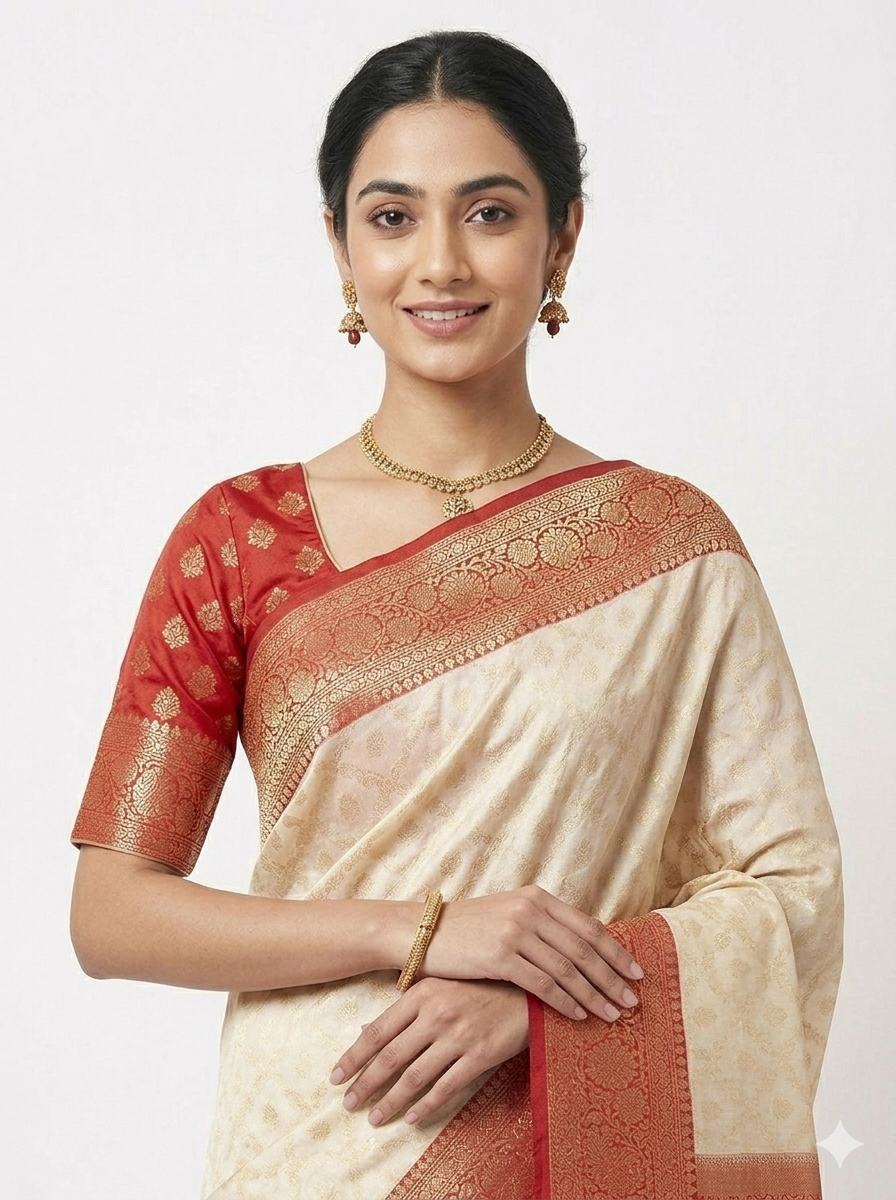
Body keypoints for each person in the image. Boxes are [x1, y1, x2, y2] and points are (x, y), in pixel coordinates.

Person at [69, 30, 843, 1200]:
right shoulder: (237, 540)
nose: (438, 263)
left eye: (488, 213)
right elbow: (112, 915)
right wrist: (422, 931)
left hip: (553, 1146)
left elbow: (791, 892)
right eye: (390, 218)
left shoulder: (672, 550)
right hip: (312, 1143)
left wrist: (532, 1000)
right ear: (337, 245)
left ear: (561, 238)